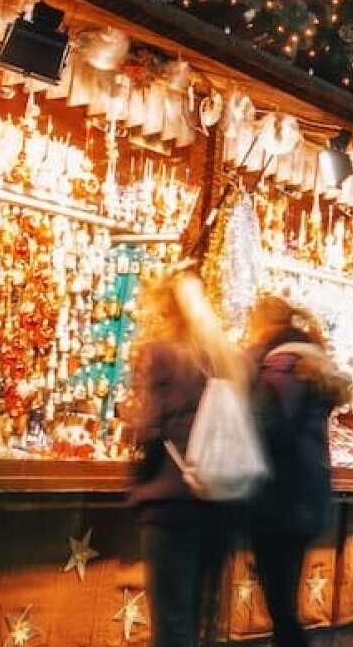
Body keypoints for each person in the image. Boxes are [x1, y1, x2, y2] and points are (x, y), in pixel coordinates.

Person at [128, 274, 246, 647]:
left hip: (171, 502)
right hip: (220, 501)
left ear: (165, 310)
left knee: (172, 623)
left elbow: (149, 426)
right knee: (202, 620)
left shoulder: (160, 354)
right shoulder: (229, 360)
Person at [246, 293, 351, 647]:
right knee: (283, 598)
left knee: (281, 604)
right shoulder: (310, 364)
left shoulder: (280, 368)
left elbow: (273, 428)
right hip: (306, 497)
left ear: (262, 326)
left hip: (280, 500)